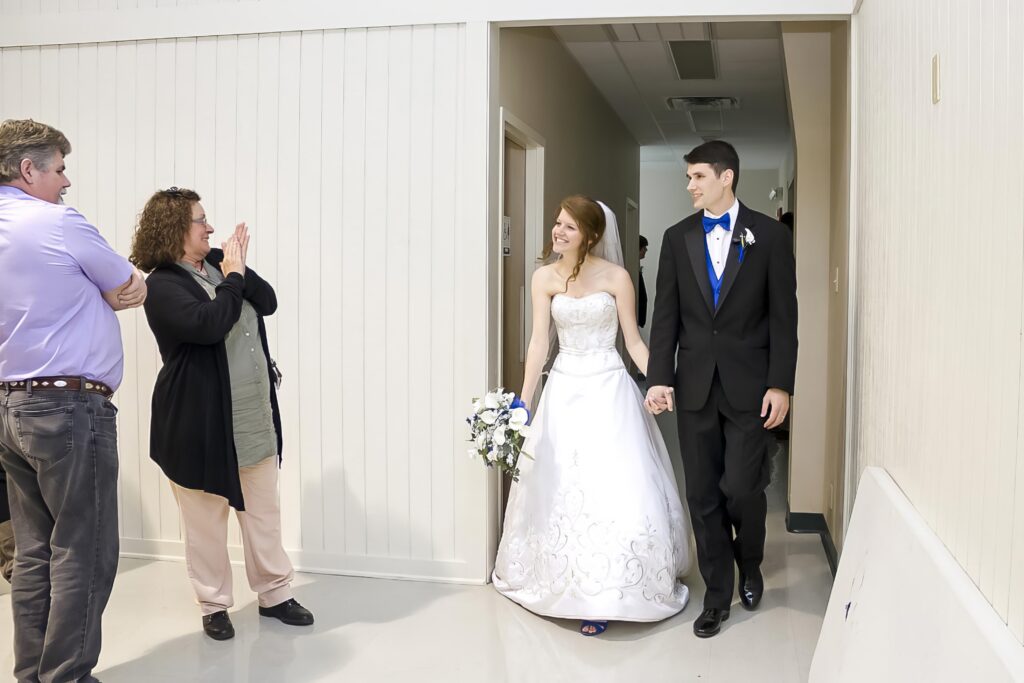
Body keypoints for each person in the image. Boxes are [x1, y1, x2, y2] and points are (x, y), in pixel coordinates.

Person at [493, 195, 692, 636]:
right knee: (560, 484)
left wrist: (659, 379)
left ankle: (609, 590)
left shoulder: (618, 277)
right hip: (563, 389)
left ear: (592, 234)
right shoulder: (544, 277)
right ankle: (560, 578)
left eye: (568, 226)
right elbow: (539, 345)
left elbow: (634, 341)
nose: (557, 232)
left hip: (607, 386)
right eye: (556, 223)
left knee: (612, 484)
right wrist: (523, 404)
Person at [130, 187, 313, 641]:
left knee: (263, 513)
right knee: (205, 523)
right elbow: (209, 326)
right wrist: (232, 277)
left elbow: (266, 301)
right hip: (198, 424)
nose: (209, 227)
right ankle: (214, 605)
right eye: (200, 220)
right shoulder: (162, 285)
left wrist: (234, 270)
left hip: (251, 414)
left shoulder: (218, 263)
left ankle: (275, 594)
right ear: (176, 229)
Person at [0, 118, 147, 682]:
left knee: (34, 551)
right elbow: (127, 283)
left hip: (10, 408)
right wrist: (112, 288)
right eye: (59, 168)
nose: (66, 181)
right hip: (67, 410)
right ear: (28, 169)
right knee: (83, 552)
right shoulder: (59, 223)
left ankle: (33, 674)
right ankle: (67, 676)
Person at [645, 140, 798, 638]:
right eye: (688, 178)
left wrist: (781, 384)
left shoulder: (770, 237)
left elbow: (783, 318)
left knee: (744, 486)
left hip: (751, 386)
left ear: (726, 177)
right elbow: (665, 315)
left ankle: (749, 561)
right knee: (703, 492)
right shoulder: (676, 237)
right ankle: (717, 595)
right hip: (693, 387)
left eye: (697, 177)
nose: (689, 185)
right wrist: (659, 378)